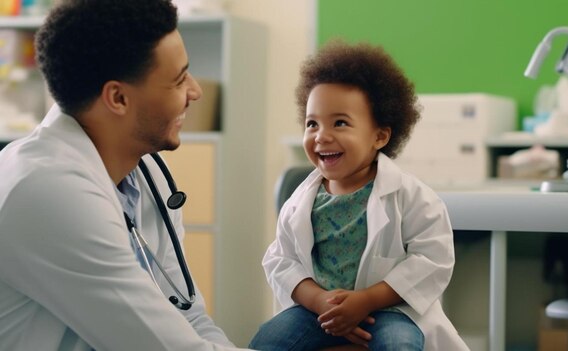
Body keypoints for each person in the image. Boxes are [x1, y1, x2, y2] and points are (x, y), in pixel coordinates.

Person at [0, 1, 250, 350]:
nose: (195, 91)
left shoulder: (148, 176)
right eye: (179, 80)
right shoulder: (45, 191)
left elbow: (187, 316)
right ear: (117, 98)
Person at [249, 41, 470, 351]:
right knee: (267, 341)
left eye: (340, 123)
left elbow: (433, 259)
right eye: (312, 123)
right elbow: (281, 261)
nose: (321, 135)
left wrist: (366, 300)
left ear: (379, 136)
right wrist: (319, 300)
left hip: (389, 312)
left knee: (399, 345)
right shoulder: (300, 202)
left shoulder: (412, 197)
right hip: (319, 312)